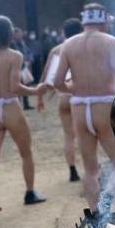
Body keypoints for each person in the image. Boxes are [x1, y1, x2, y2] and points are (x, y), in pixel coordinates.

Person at [54, 2, 115, 211]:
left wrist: (75, 88)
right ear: (103, 20)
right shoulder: (110, 41)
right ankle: (108, 196)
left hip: (79, 107)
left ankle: (95, 213)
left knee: (90, 169)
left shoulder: (68, 44)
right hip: (104, 104)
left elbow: (58, 82)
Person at [0, 14, 47, 213]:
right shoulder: (15, 56)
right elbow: (14, 87)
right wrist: (36, 91)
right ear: (8, 33)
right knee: (26, 153)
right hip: (10, 108)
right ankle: (30, 192)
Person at [38, 17, 82, 183]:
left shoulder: (56, 50)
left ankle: (72, 170)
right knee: (84, 136)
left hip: (63, 97)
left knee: (68, 136)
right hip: (79, 95)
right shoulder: (83, 47)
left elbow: (46, 77)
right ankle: (91, 168)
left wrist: (40, 97)